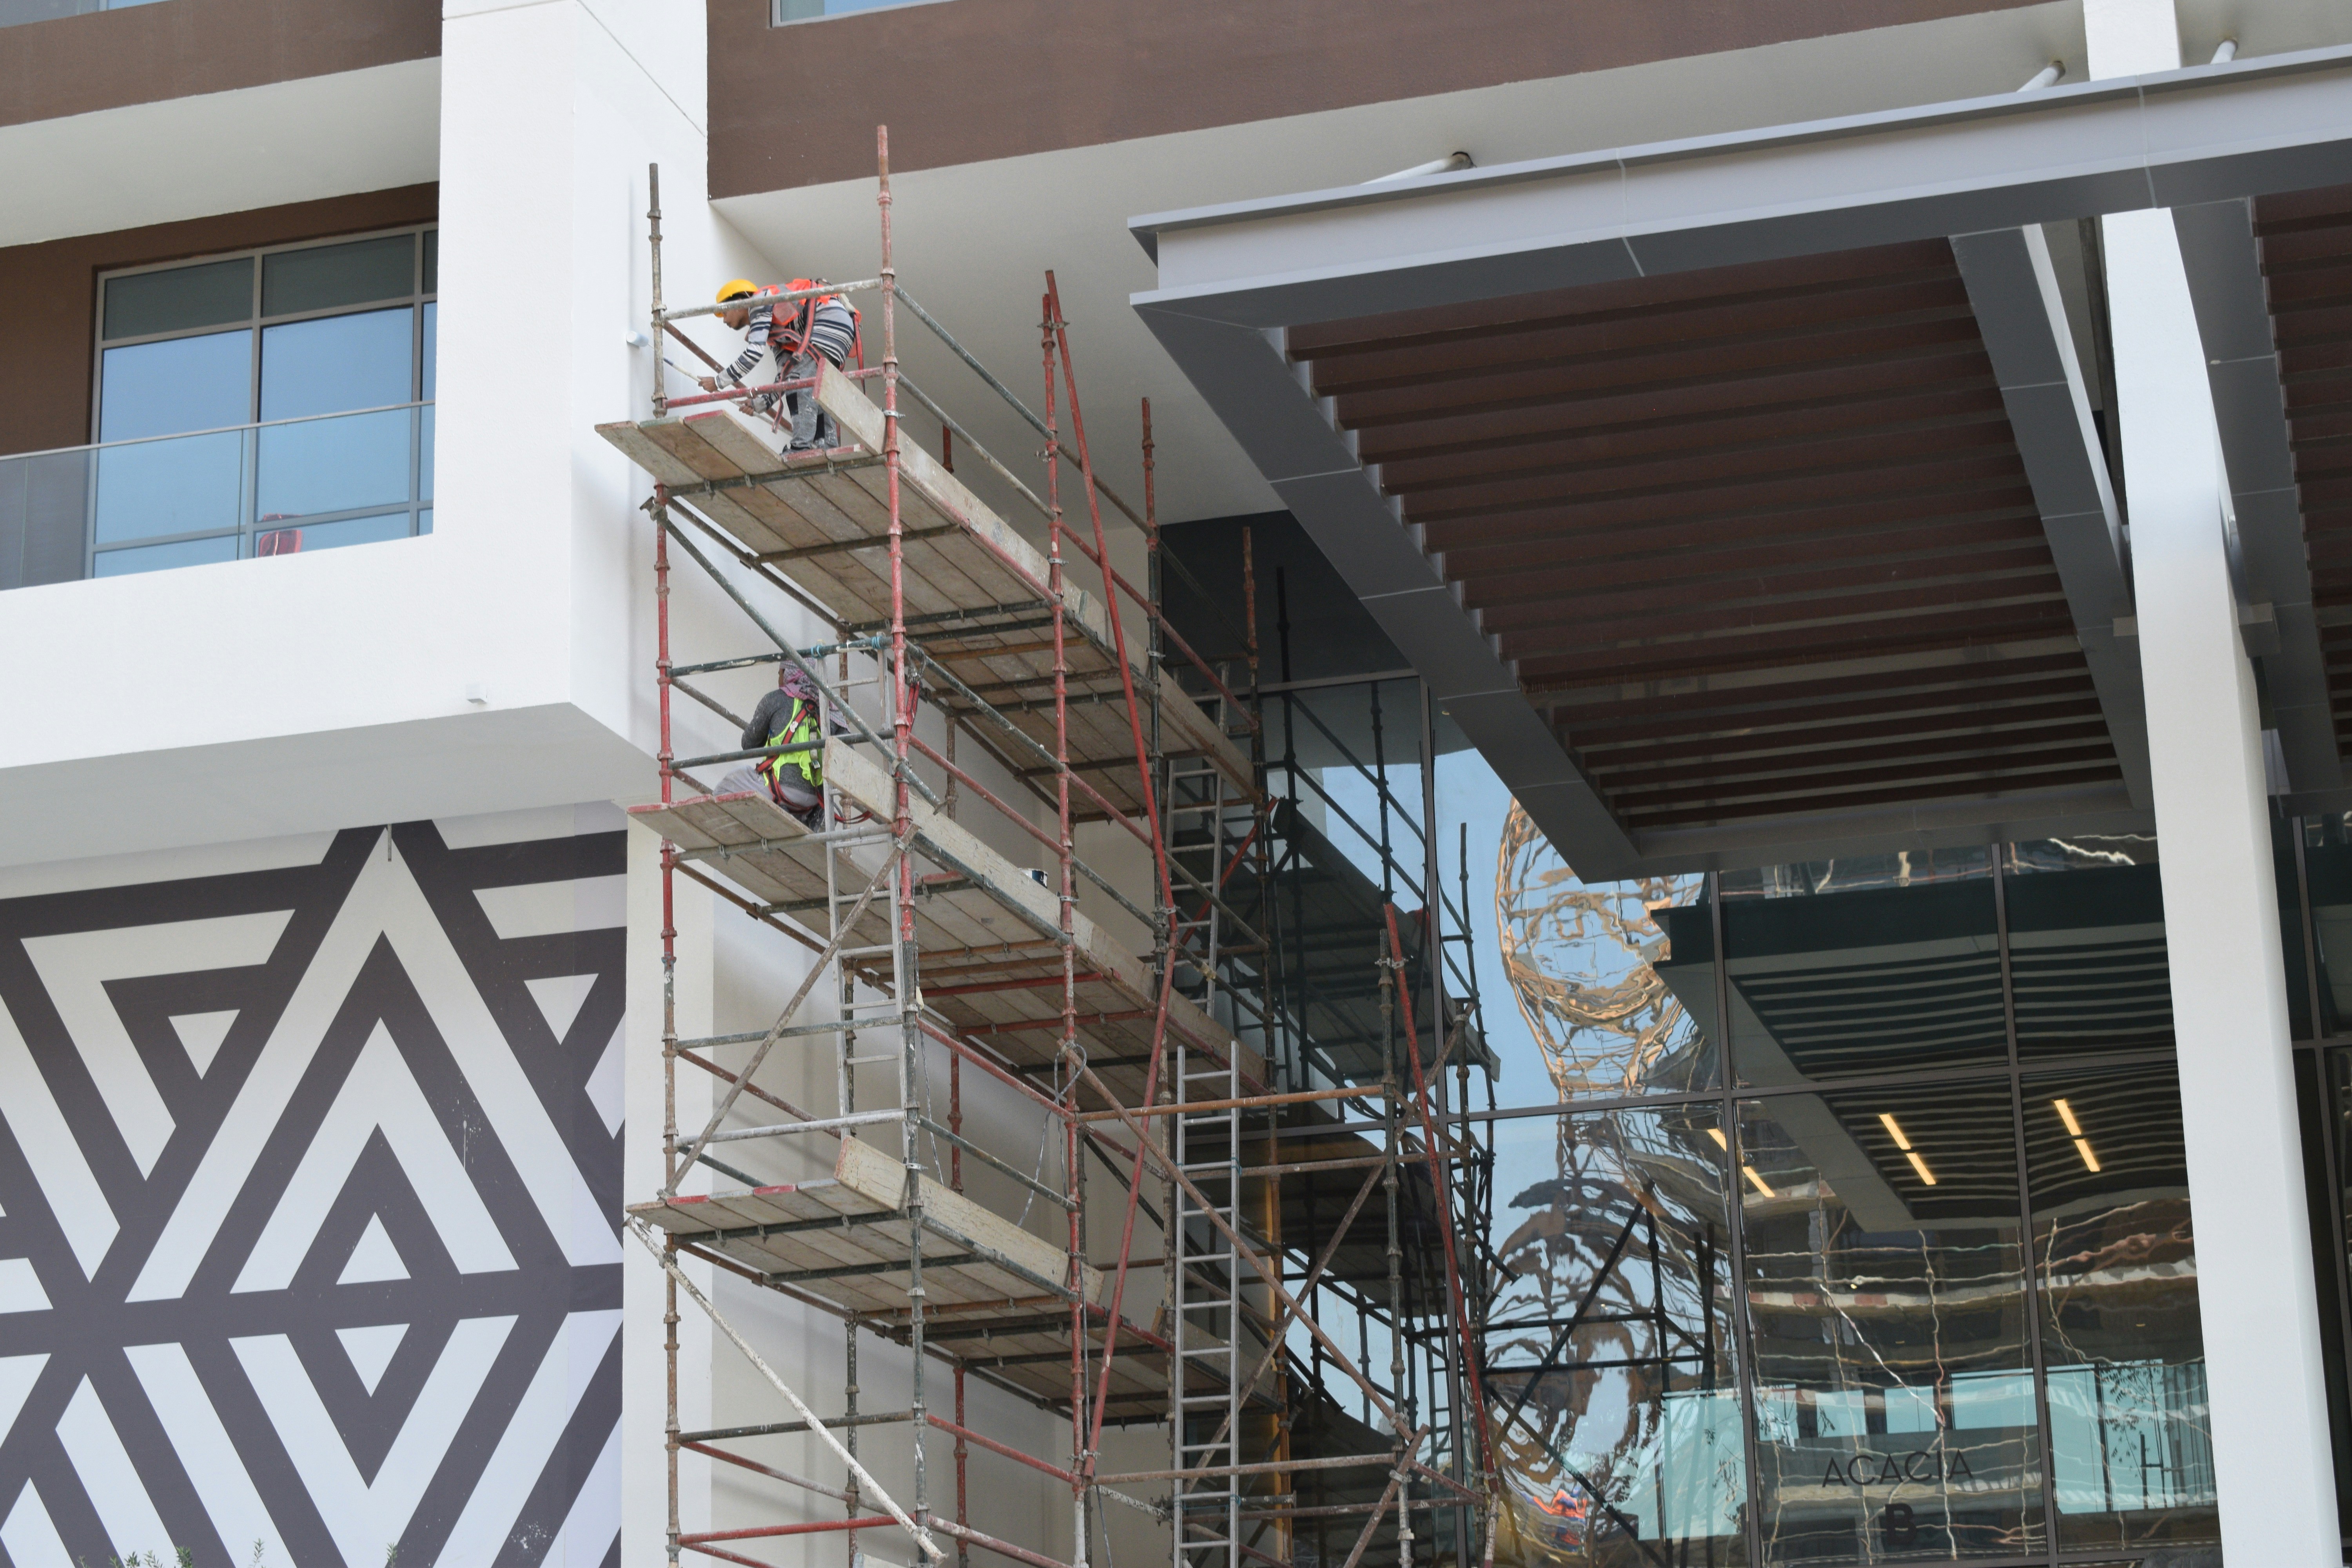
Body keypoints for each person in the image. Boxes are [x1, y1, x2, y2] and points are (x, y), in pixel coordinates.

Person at [700, 278, 860, 452]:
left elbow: (754, 354)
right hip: (840, 333)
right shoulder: (774, 332)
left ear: (739, 303)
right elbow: (784, 376)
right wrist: (761, 403)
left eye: (724, 313)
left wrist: (718, 382)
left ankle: (801, 446)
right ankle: (826, 446)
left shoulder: (759, 302)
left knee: (798, 384)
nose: (724, 321)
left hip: (826, 324)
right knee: (815, 388)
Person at [718, 664, 826, 828]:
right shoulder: (827, 707)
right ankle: (802, 819)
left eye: (780, 674)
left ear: (787, 673)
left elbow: (748, 744)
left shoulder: (775, 699)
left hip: (780, 790)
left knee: (726, 787)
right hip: (815, 800)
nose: (779, 680)